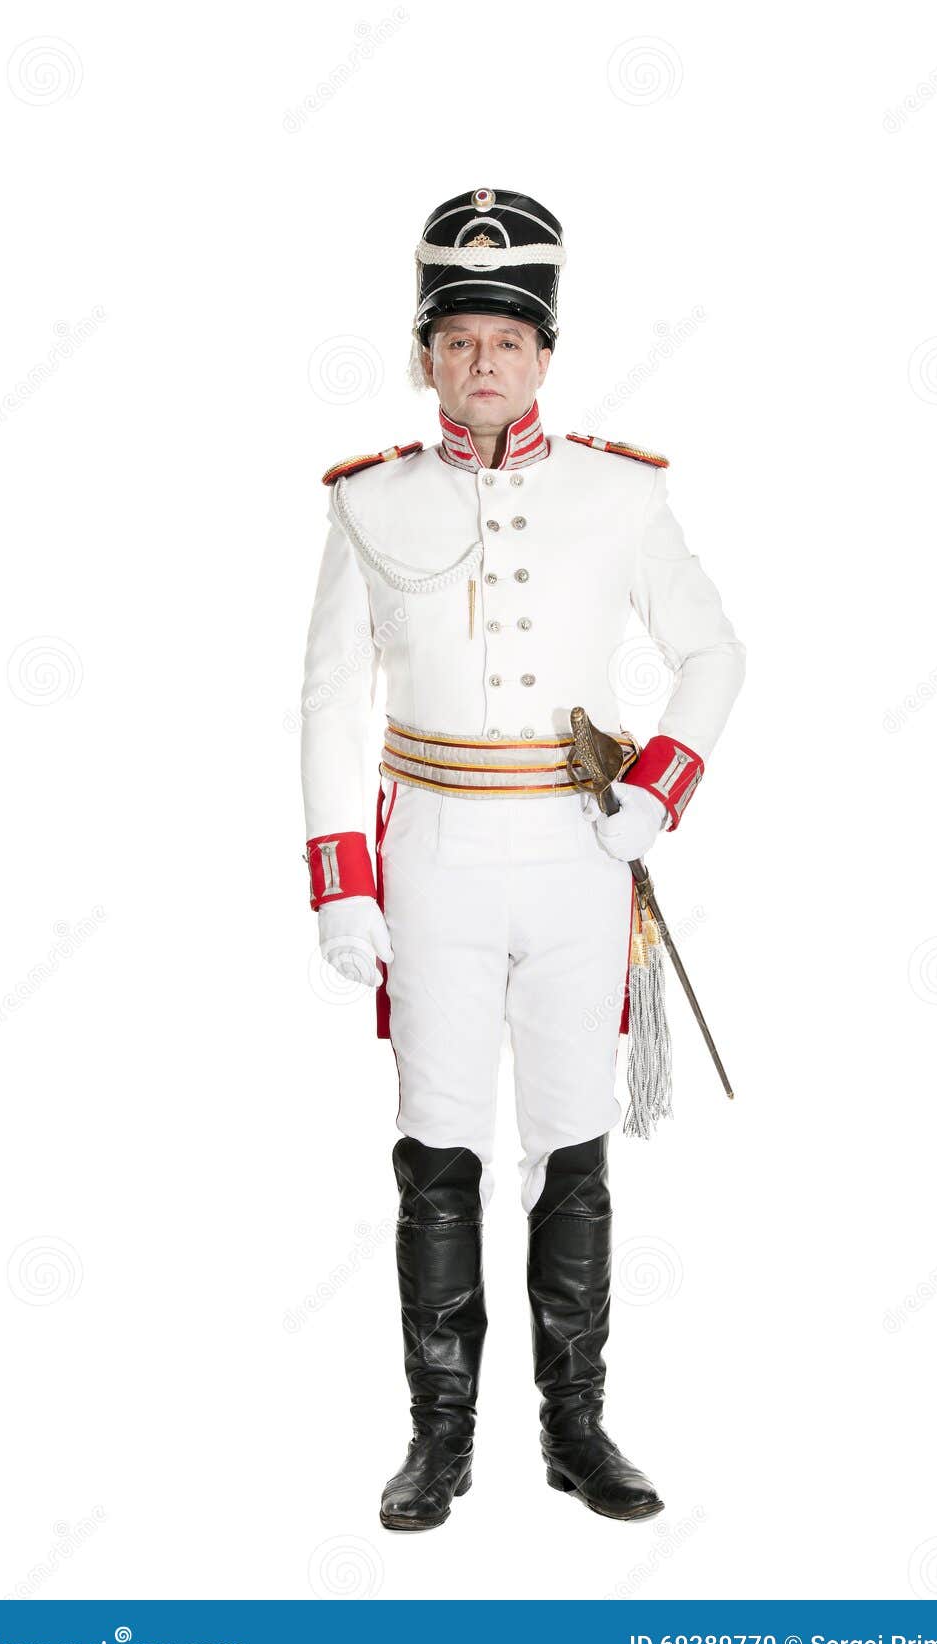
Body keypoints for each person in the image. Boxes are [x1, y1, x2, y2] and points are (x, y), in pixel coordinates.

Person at [300, 188, 745, 1530]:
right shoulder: (367, 502)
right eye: (459, 338)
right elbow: (329, 698)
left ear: (545, 354)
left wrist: (654, 800)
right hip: (429, 855)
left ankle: (577, 1426)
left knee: (570, 1148)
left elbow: (714, 653)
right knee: (435, 1150)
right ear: (424, 354)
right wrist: (342, 883)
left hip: (575, 855)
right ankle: (440, 1441)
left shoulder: (622, 493)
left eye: (508, 337)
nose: (484, 359)